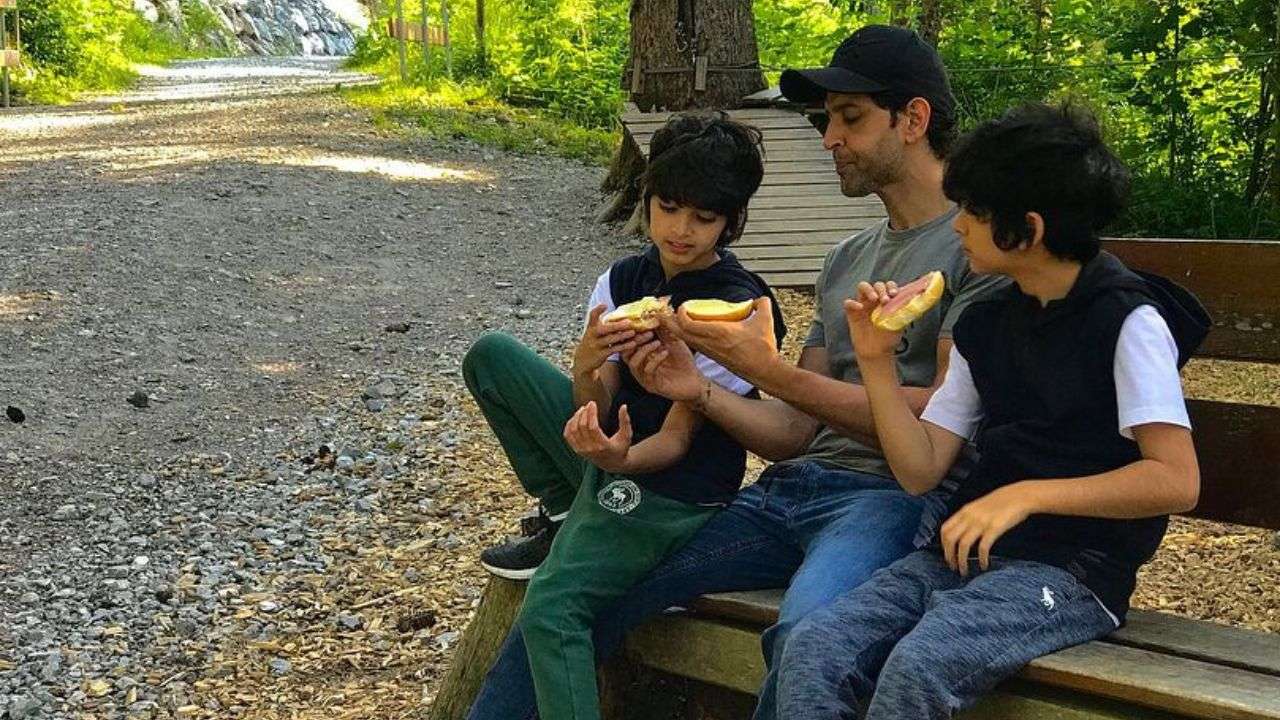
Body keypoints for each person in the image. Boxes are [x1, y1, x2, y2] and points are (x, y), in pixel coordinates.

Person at [467, 25, 1006, 720]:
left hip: (888, 500)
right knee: (574, 590)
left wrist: (767, 371)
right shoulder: (847, 256)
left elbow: (938, 416)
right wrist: (700, 392)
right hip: (787, 492)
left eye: (849, 118)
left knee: (808, 634)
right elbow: (789, 435)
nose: (828, 140)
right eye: (825, 122)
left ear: (914, 119)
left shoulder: (974, 249)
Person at [774, 102, 1209, 719]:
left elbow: (1175, 478)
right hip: (962, 557)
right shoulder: (986, 322)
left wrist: (1026, 495)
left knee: (918, 667)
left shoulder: (1127, 321)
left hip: (1071, 570)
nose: (957, 228)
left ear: (1026, 229)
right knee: (817, 645)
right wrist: (875, 360)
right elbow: (922, 469)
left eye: (973, 214)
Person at [461, 111, 787, 720]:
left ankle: (584, 519)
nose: (681, 230)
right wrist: (587, 363)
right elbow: (597, 402)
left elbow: (676, 442)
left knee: (554, 606)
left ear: (732, 220)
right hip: (613, 453)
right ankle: (564, 510)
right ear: (647, 198)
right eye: (668, 207)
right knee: (493, 357)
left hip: (672, 485)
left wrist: (620, 460)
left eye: (704, 217)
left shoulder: (738, 308)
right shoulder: (623, 279)